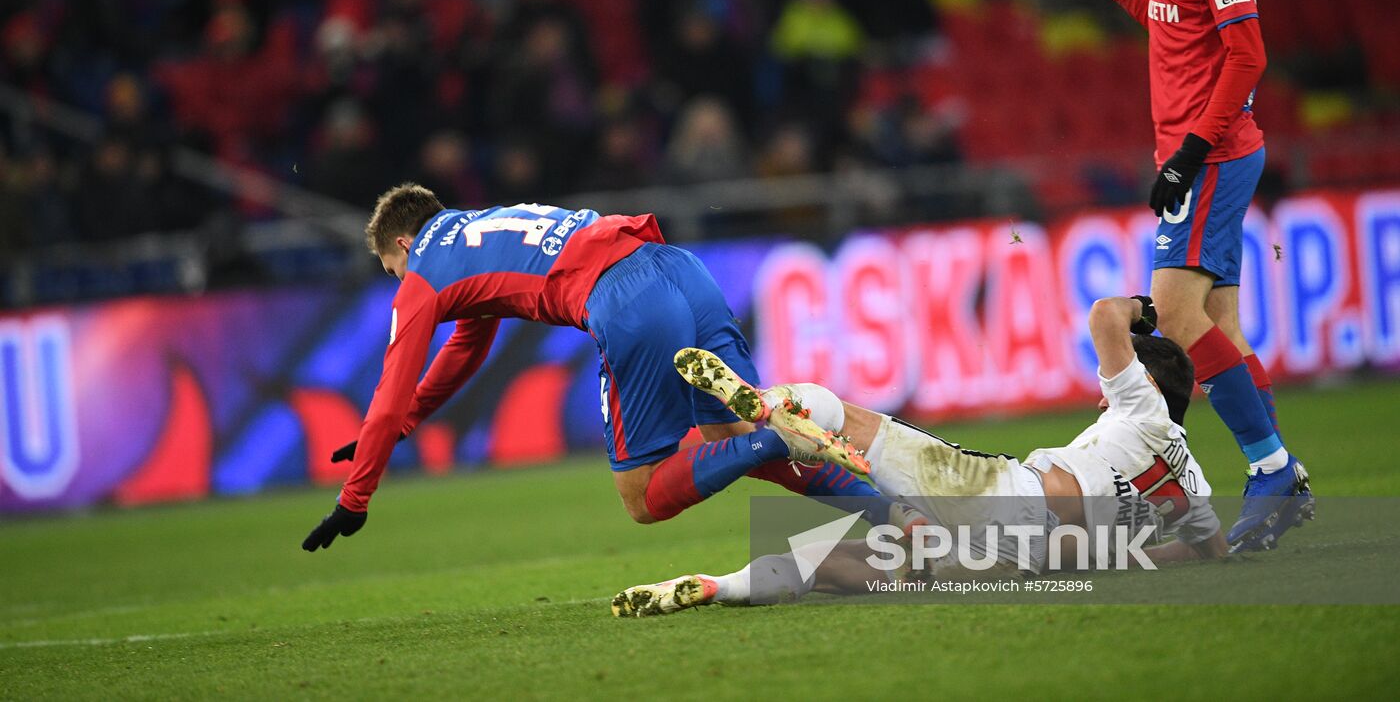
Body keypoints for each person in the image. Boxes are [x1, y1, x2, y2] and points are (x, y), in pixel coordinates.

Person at [302, 183, 888, 551]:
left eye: (391, 271)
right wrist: (404, 425)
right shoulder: (479, 229)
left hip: (627, 300)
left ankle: (774, 440)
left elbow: (385, 391)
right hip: (675, 266)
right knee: (730, 435)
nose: (398, 285)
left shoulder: (425, 274)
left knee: (643, 495)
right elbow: (466, 347)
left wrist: (355, 498)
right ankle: (901, 523)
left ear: (404, 245)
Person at [614, 296, 1231, 616]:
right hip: (1022, 563)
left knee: (837, 412)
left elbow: (1104, 317)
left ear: (1149, 387)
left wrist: (1140, 310)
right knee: (831, 564)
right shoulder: (1194, 488)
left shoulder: (1142, 410)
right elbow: (1210, 552)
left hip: (1002, 497)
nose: (1104, 398)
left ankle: (765, 408)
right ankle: (716, 588)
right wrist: (1137, 554)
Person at [1063, 0, 1311, 551]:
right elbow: (1176, 28)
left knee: (1172, 316)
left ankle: (1271, 466)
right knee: (1221, 328)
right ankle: (1283, 482)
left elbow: (1248, 53)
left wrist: (1192, 156)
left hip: (1212, 156)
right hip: (1202, 155)